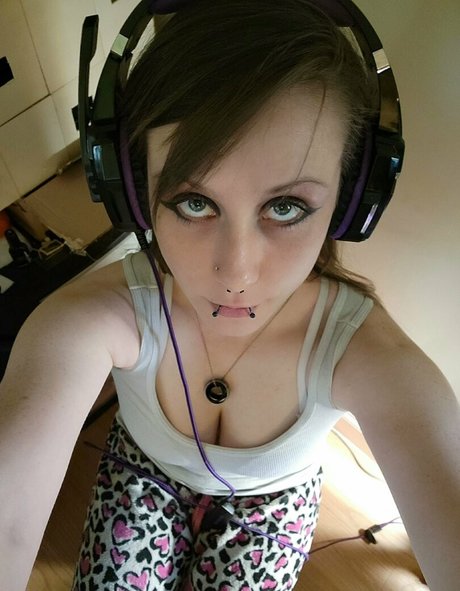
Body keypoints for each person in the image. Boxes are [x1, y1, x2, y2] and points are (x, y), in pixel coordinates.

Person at [1, 1, 459, 590]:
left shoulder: (367, 354)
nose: (236, 272)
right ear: (133, 191)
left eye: (286, 207)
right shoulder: (95, 318)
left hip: (275, 502)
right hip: (143, 473)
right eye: (195, 203)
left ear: (349, 203)